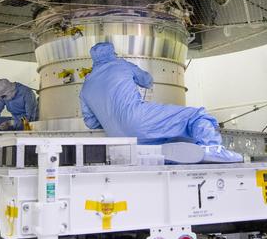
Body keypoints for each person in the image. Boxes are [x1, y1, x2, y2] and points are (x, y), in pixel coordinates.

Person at [79, 40, 241, 162]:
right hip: (139, 119)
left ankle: (176, 157)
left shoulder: (86, 86)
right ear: (112, 54)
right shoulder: (121, 65)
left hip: (119, 139)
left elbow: (91, 123)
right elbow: (147, 80)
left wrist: (110, 115)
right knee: (196, 116)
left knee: (166, 145)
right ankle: (213, 148)